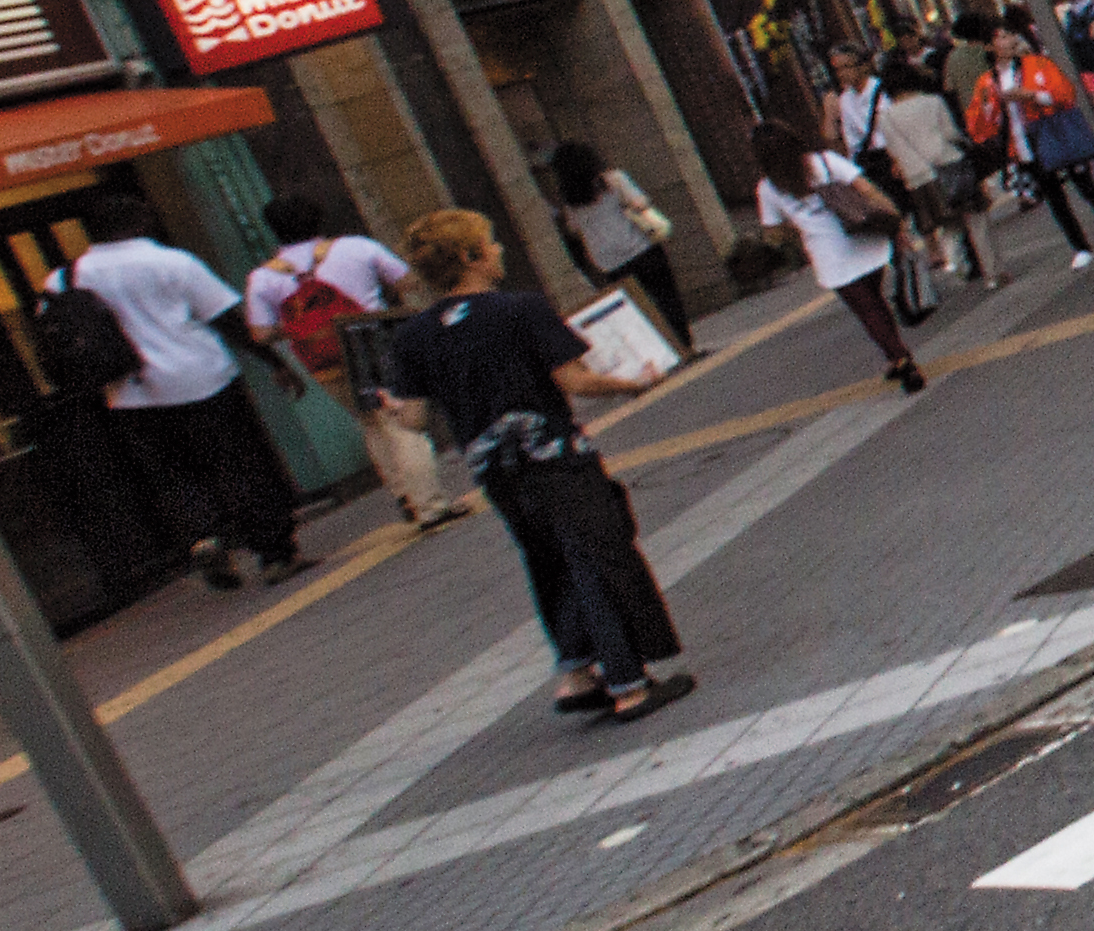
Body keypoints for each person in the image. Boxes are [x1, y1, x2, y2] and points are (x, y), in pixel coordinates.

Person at [373, 208, 687, 722]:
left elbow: (411, 419)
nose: (499, 251)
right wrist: (638, 381)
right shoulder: (520, 310)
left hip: (494, 471)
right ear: (471, 258)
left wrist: (388, 403)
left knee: (547, 559)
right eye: (490, 244)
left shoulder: (413, 336)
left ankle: (576, 673)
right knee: (596, 556)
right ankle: (629, 683)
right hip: (554, 458)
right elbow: (576, 381)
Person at [62, 186, 302, 589]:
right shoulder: (170, 261)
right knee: (237, 463)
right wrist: (273, 361)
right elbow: (224, 316)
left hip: (130, 395)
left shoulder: (67, 277)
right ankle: (273, 551)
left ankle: (204, 536)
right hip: (200, 379)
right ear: (138, 222)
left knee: (173, 475)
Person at [246, 193, 468, 534]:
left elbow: (260, 333)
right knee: (401, 423)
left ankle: (405, 497)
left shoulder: (262, 278)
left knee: (370, 422)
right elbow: (406, 280)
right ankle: (431, 506)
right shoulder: (357, 247)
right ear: (317, 219)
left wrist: (303, 328)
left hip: (324, 362)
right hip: (372, 343)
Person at [750, 114, 928, 395]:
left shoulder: (769, 189)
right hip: (867, 241)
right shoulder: (825, 162)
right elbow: (868, 190)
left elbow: (774, 233)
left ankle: (903, 362)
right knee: (877, 303)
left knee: (868, 311)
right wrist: (897, 225)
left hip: (831, 259)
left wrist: (797, 223)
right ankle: (896, 356)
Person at [972, 21, 1094, 268]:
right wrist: (990, 107)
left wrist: (1030, 95)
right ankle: (1080, 246)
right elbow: (981, 124)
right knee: (1054, 196)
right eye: (1001, 38)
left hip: (1053, 133)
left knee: (1086, 186)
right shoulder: (987, 82)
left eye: (1010, 35)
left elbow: (1064, 94)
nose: (1009, 41)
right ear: (989, 46)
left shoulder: (1037, 64)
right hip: (1024, 146)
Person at [872, 45, 992, 290]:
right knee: (977, 221)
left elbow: (894, 149)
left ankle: (957, 264)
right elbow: (951, 134)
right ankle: (993, 272)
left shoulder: (885, 117)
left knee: (949, 227)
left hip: (920, 179)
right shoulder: (932, 102)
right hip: (950, 164)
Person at [545, 139, 685, 349]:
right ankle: (685, 344)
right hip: (639, 247)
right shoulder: (613, 180)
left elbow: (574, 229)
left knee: (637, 309)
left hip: (608, 261)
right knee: (666, 298)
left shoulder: (569, 201)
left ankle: (661, 350)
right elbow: (639, 203)